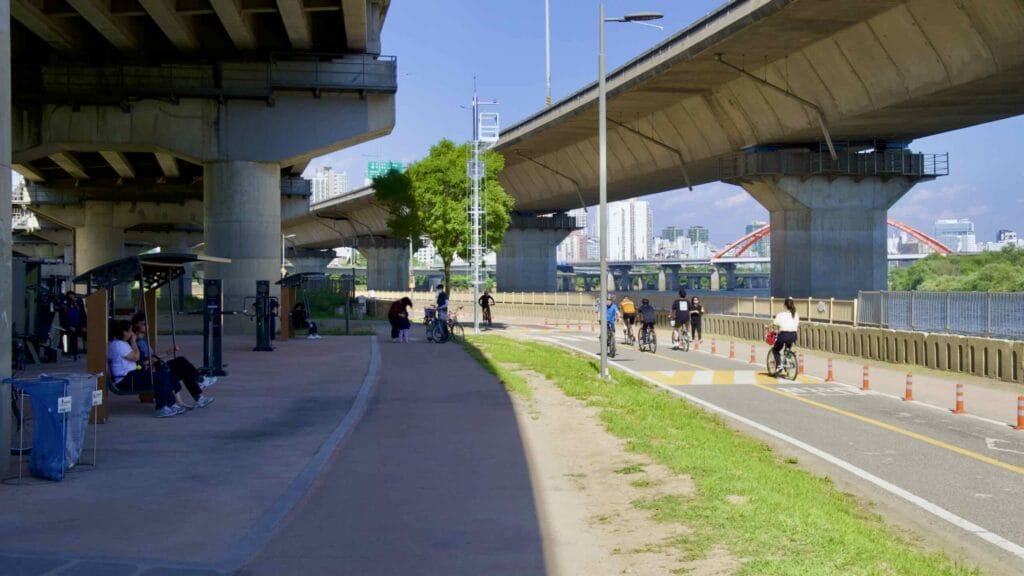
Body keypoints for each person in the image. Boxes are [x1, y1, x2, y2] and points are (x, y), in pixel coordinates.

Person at [132, 313, 215, 409]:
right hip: (153, 368)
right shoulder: (137, 342)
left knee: (182, 366)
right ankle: (199, 383)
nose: (147, 326)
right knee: (181, 363)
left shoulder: (144, 341)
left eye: (147, 323)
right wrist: (166, 354)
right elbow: (145, 360)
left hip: (156, 364)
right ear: (136, 325)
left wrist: (167, 353)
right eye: (144, 323)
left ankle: (199, 394)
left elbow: (153, 357)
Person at [106, 320, 182, 418]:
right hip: (126, 379)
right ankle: (161, 408)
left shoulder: (122, 344)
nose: (132, 334)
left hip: (133, 375)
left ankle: (171, 404)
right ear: (123, 332)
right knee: (160, 377)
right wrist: (133, 342)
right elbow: (135, 357)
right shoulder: (118, 345)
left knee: (166, 374)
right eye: (129, 331)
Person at [771, 297, 800, 374]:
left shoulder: (781, 315)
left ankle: (779, 365)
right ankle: (787, 358)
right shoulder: (796, 315)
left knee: (775, 349)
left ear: (785, 305)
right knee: (787, 349)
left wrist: (769, 328)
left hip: (783, 335)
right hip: (793, 336)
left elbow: (774, 324)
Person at [59, 291, 87, 360]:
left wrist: (84, 326)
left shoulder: (78, 303)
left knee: (85, 333)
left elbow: (83, 315)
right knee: (72, 334)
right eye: (70, 297)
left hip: (78, 324)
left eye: (73, 296)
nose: (72, 298)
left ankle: (85, 349)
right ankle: (73, 352)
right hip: (69, 325)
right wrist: (69, 326)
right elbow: (63, 317)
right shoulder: (65, 305)